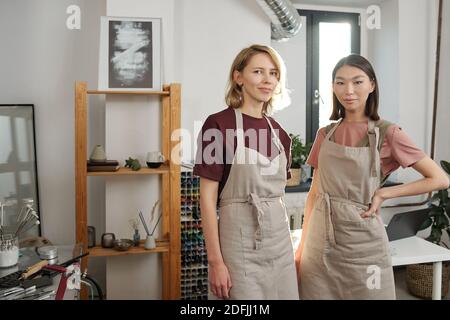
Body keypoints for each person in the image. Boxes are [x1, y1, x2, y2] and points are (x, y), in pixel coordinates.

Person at [296, 54, 450, 299]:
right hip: (318, 241)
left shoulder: (388, 133)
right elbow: (314, 193)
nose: (348, 90)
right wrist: (302, 249)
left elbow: (440, 179)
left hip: (363, 241)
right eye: (340, 82)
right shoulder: (325, 133)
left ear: (372, 85)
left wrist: (384, 193)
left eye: (357, 82)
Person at [193, 44, 299, 300]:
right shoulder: (217, 124)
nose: (268, 80)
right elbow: (207, 200)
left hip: (281, 244)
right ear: (238, 77)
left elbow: (277, 194)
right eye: (258, 72)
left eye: (273, 73)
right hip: (239, 245)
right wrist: (216, 262)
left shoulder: (280, 133)